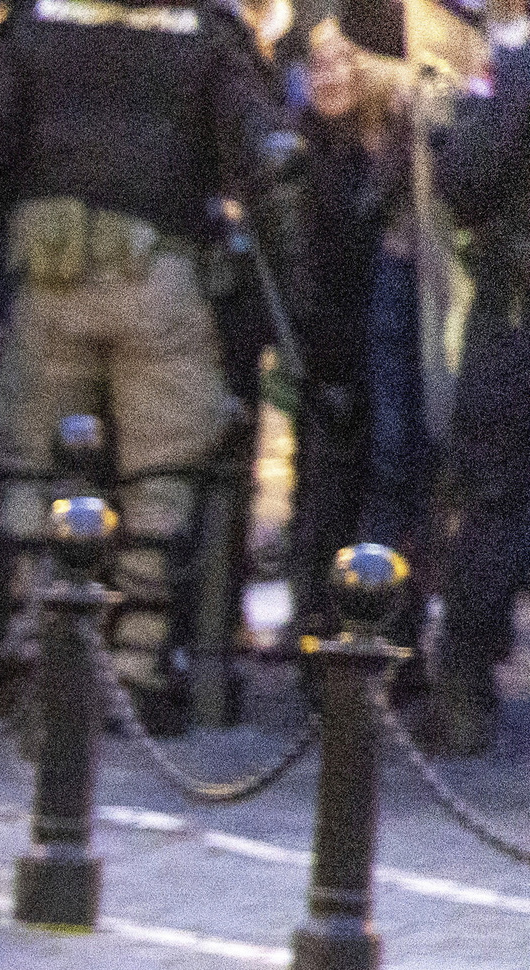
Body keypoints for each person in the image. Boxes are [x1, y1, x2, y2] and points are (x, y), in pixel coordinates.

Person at [0, 0, 293, 711]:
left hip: (47, 275)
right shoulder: (207, 30)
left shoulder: (35, 21)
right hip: (159, 277)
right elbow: (267, 161)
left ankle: (28, 647)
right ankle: (136, 667)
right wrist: (301, 311)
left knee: (31, 468)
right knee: (159, 481)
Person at [283, 9, 429, 672]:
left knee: (386, 484)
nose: (332, 76)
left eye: (345, 61)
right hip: (333, 355)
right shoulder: (307, 148)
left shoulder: (396, 148)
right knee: (329, 493)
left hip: (384, 353)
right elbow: (307, 266)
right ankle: (320, 633)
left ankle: (386, 635)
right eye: (319, 64)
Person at [427, 6, 530, 756]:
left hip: (518, 314)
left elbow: (466, 176)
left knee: (495, 499)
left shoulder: (519, 65)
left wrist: (459, 124)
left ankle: (463, 689)